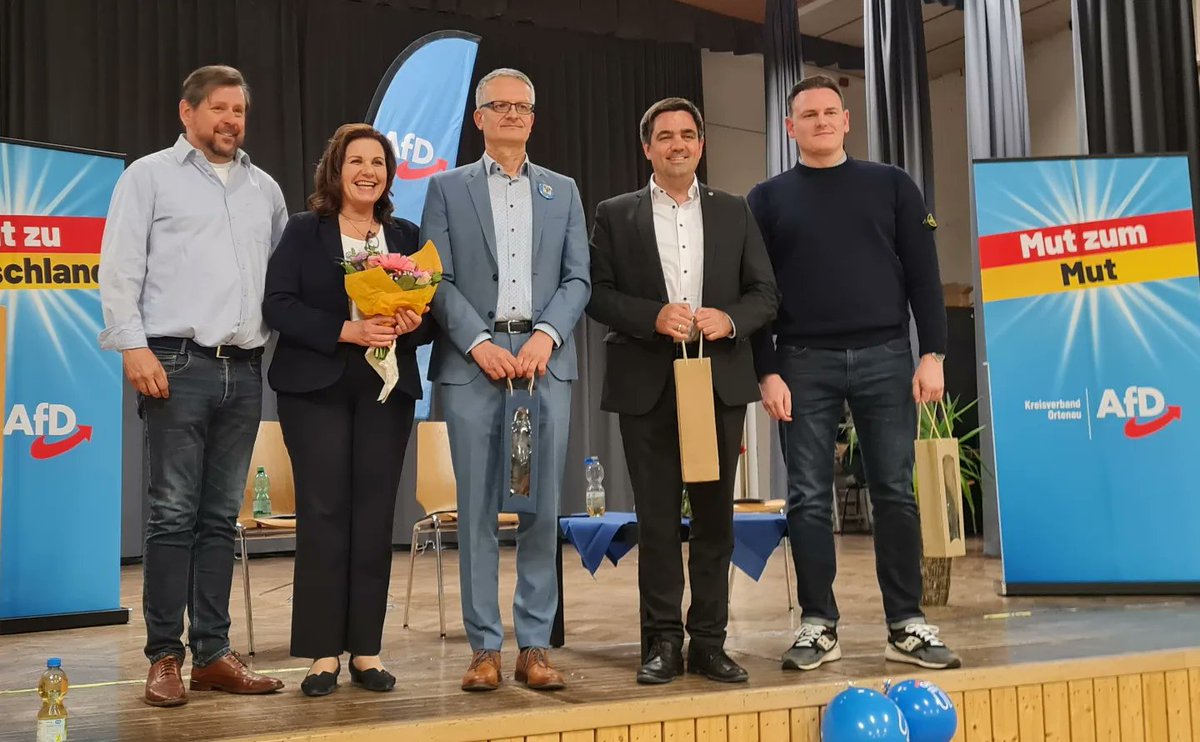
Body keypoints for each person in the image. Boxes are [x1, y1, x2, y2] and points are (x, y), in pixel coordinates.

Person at [748, 74, 961, 671]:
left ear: (846, 121)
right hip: (800, 364)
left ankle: (906, 624)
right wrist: (767, 370)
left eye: (829, 112)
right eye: (806, 115)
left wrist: (933, 354)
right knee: (808, 499)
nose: (819, 121)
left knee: (895, 492)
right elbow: (757, 293)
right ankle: (819, 625)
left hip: (887, 357)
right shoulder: (766, 198)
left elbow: (924, 274)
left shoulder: (891, 186)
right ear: (790, 128)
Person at [98, 65, 287, 707]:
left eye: (240, 110)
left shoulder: (266, 190)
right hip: (174, 363)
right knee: (171, 516)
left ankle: (212, 653)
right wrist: (131, 345)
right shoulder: (148, 177)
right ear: (188, 113)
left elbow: (285, 282)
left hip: (246, 369)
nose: (231, 120)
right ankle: (164, 657)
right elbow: (119, 266)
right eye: (219, 108)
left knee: (218, 519)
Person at [587, 98, 778, 685]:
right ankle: (662, 643)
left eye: (687, 134)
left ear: (701, 144)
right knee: (659, 521)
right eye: (665, 136)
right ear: (647, 148)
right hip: (647, 381)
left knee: (716, 522)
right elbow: (596, 293)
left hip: (716, 384)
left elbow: (765, 294)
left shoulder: (735, 211)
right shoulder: (614, 214)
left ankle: (710, 642)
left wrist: (729, 320)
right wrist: (653, 316)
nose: (677, 144)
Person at [420, 67, 590, 692]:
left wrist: (546, 335)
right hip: (475, 364)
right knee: (478, 513)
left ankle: (535, 647)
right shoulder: (446, 188)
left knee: (541, 508)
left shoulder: (563, 191)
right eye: (499, 105)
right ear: (479, 118)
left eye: (523, 106)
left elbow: (578, 279)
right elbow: (435, 277)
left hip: (545, 362)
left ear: (534, 118)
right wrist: (480, 342)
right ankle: (485, 648)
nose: (512, 114)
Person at [263, 123, 432, 697]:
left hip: (386, 391)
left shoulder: (406, 234)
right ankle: (321, 655)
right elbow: (278, 304)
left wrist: (412, 322)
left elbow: (429, 317)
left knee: (374, 514)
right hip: (315, 388)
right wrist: (346, 330)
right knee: (324, 512)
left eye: (378, 162)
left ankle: (366, 650)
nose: (368, 171)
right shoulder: (305, 232)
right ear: (336, 171)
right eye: (356, 161)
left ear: (389, 173)